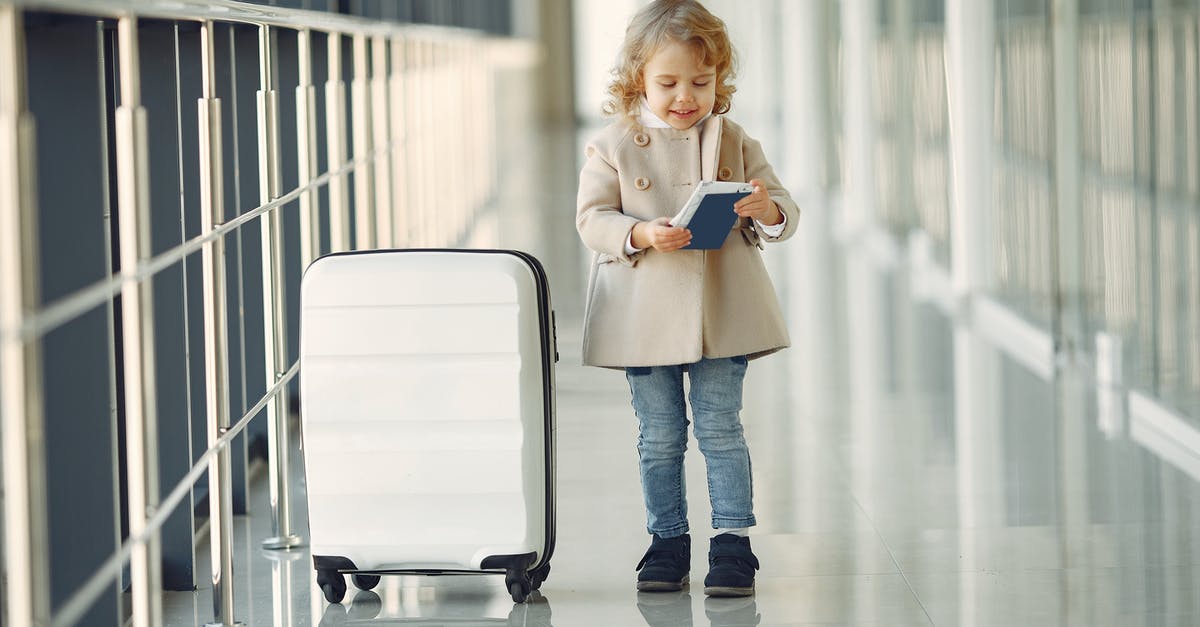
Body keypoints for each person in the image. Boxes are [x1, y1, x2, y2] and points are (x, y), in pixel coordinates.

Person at [575, 0, 798, 598]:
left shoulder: (735, 138)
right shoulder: (615, 144)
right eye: (667, 82)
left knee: (721, 427)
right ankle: (667, 540)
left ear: (719, 82)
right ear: (637, 80)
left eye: (700, 82)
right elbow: (591, 220)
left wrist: (765, 208)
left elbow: (782, 208)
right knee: (660, 433)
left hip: (720, 312)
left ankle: (733, 543)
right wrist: (641, 233)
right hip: (644, 313)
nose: (684, 97)